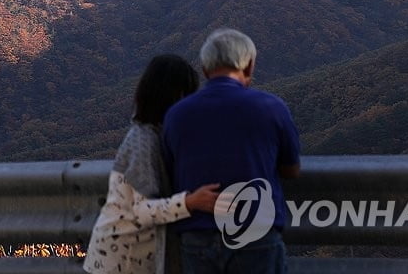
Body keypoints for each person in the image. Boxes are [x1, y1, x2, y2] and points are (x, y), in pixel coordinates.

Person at [162, 29, 300, 274]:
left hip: (197, 238)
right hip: (254, 234)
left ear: (205, 70)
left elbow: (170, 172)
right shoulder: (272, 108)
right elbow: (291, 168)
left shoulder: (176, 115)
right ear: (248, 67)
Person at [84, 54, 221, 274]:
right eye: (187, 95)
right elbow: (141, 210)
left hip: (128, 257)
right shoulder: (143, 141)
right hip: (123, 259)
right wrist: (190, 202)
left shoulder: (154, 135)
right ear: (174, 96)